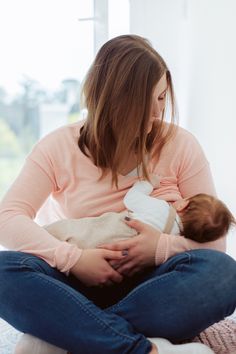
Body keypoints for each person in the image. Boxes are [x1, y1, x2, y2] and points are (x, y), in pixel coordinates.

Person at [0, 34, 235, 354]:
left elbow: (216, 243)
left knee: (223, 275)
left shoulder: (181, 145)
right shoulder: (58, 146)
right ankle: (138, 348)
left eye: (163, 98)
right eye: (146, 103)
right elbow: (8, 217)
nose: (157, 114)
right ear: (113, 102)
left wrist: (160, 248)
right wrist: (76, 260)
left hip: (155, 283)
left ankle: (68, 334)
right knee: (3, 271)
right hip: (77, 282)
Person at [44, 180, 236, 249]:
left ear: (182, 205)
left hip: (108, 230)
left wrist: (147, 182)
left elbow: (132, 199)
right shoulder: (174, 239)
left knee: (66, 230)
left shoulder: (161, 208)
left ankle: (41, 234)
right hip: (113, 256)